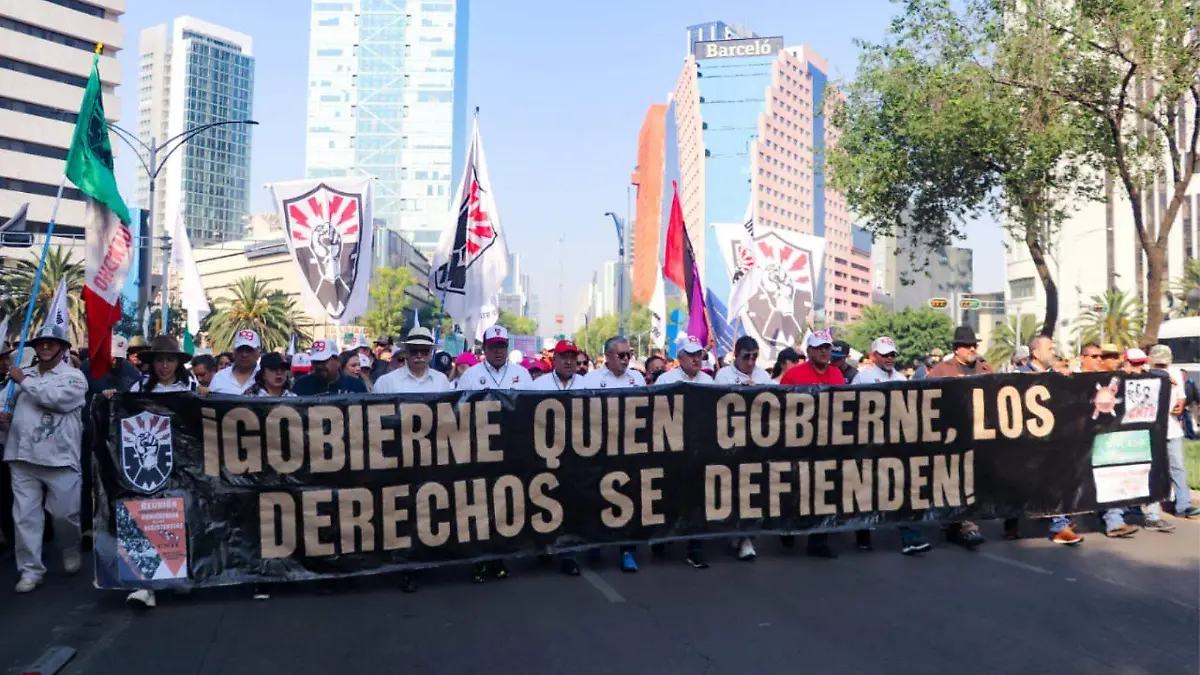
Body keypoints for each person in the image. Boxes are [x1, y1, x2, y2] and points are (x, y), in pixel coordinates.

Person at [1, 324, 88, 593]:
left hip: (60, 459)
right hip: (22, 456)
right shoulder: (19, 376)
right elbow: (7, 406)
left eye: (51, 343)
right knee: (25, 518)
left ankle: (70, 547)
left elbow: (57, 400)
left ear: (63, 348)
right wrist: (4, 418)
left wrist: (23, 382)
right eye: (41, 343)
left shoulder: (74, 377)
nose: (45, 347)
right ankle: (30, 570)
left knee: (65, 516)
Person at [122, 336, 193, 608]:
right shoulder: (138, 388)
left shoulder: (190, 386)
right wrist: (109, 401)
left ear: (178, 363)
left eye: (170, 359)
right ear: (151, 363)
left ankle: (178, 574)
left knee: (179, 515)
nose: (164, 365)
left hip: (183, 461)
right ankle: (145, 583)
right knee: (145, 515)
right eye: (159, 360)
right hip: (145, 462)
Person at [456, 326, 531, 580]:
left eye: (502, 346)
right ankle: (478, 559)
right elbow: (458, 411)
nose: (498, 351)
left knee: (504, 504)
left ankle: (499, 558)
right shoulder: (471, 375)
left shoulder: (522, 374)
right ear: (484, 349)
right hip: (480, 449)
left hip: (511, 449)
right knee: (479, 504)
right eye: (493, 346)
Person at [851, 337, 931, 555]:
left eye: (892, 354)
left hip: (894, 444)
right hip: (868, 443)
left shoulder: (900, 379)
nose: (889, 358)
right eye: (885, 354)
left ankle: (910, 538)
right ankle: (863, 533)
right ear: (873, 355)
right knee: (867, 489)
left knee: (901, 490)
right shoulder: (863, 376)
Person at [581, 336, 647, 572]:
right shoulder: (591, 379)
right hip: (599, 450)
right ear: (607, 356)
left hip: (630, 450)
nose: (627, 359)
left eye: (629, 354)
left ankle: (627, 550)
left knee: (628, 499)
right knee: (598, 497)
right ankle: (596, 543)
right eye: (621, 355)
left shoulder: (637, 378)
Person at [523, 339, 586, 576]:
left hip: (578, 455)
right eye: (563, 357)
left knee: (571, 504)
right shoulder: (538, 385)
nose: (568, 361)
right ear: (555, 360)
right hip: (545, 455)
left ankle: (568, 554)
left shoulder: (588, 383)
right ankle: (542, 546)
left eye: (572, 356)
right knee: (544, 502)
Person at [778, 329, 843, 558]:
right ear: (809, 351)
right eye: (820, 348)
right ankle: (787, 526)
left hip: (827, 443)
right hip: (798, 443)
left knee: (824, 490)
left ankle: (818, 540)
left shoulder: (837, 375)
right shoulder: (793, 376)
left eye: (827, 347)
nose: (825, 351)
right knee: (794, 488)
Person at [649, 334, 712, 568]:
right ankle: (661, 536)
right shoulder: (666, 379)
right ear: (680, 356)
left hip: (699, 450)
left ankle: (694, 548)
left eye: (699, 355)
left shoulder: (710, 382)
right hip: (670, 449)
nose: (697, 359)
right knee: (668, 495)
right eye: (692, 354)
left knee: (696, 498)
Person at [926, 326, 990, 549]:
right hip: (951, 436)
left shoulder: (985, 368)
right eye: (968, 345)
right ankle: (965, 524)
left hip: (979, 433)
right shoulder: (941, 371)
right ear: (956, 348)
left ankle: (960, 521)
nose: (973, 348)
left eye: (975, 344)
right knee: (959, 479)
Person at [1019, 336, 1084, 545]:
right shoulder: (1018, 378)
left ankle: (1060, 525)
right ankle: (1014, 521)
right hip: (1027, 444)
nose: (1054, 352)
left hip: (1055, 443)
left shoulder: (1057, 377)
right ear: (1036, 354)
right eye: (1049, 348)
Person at [1148, 345, 1200, 520]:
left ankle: (1183, 505)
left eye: (1164, 364)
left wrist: (1180, 404)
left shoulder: (1176, 372)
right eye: (1158, 364)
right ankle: (1153, 512)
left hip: (1172, 428)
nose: (1161, 367)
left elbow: (1181, 396)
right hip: (1152, 430)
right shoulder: (1146, 373)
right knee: (1154, 469)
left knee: (1178, 467)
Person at [375, 328, 451, 395]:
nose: (419, 355)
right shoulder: (386, 382)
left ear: (430, 354)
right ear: (406, 353)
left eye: (424, 351)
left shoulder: (441, 381)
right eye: (414, 351)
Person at [293, 340, 369, 395]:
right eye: (316, 361)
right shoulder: (302, 385)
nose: (319, 366)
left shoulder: (355, 386)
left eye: (324, 361)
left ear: (338, 361)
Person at [209, 331, 261, 395]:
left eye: (249, 350)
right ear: (234, 352)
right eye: (240, 349)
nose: (244, 354)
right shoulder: (219, 377)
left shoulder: (267, 378)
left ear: (258, 353)